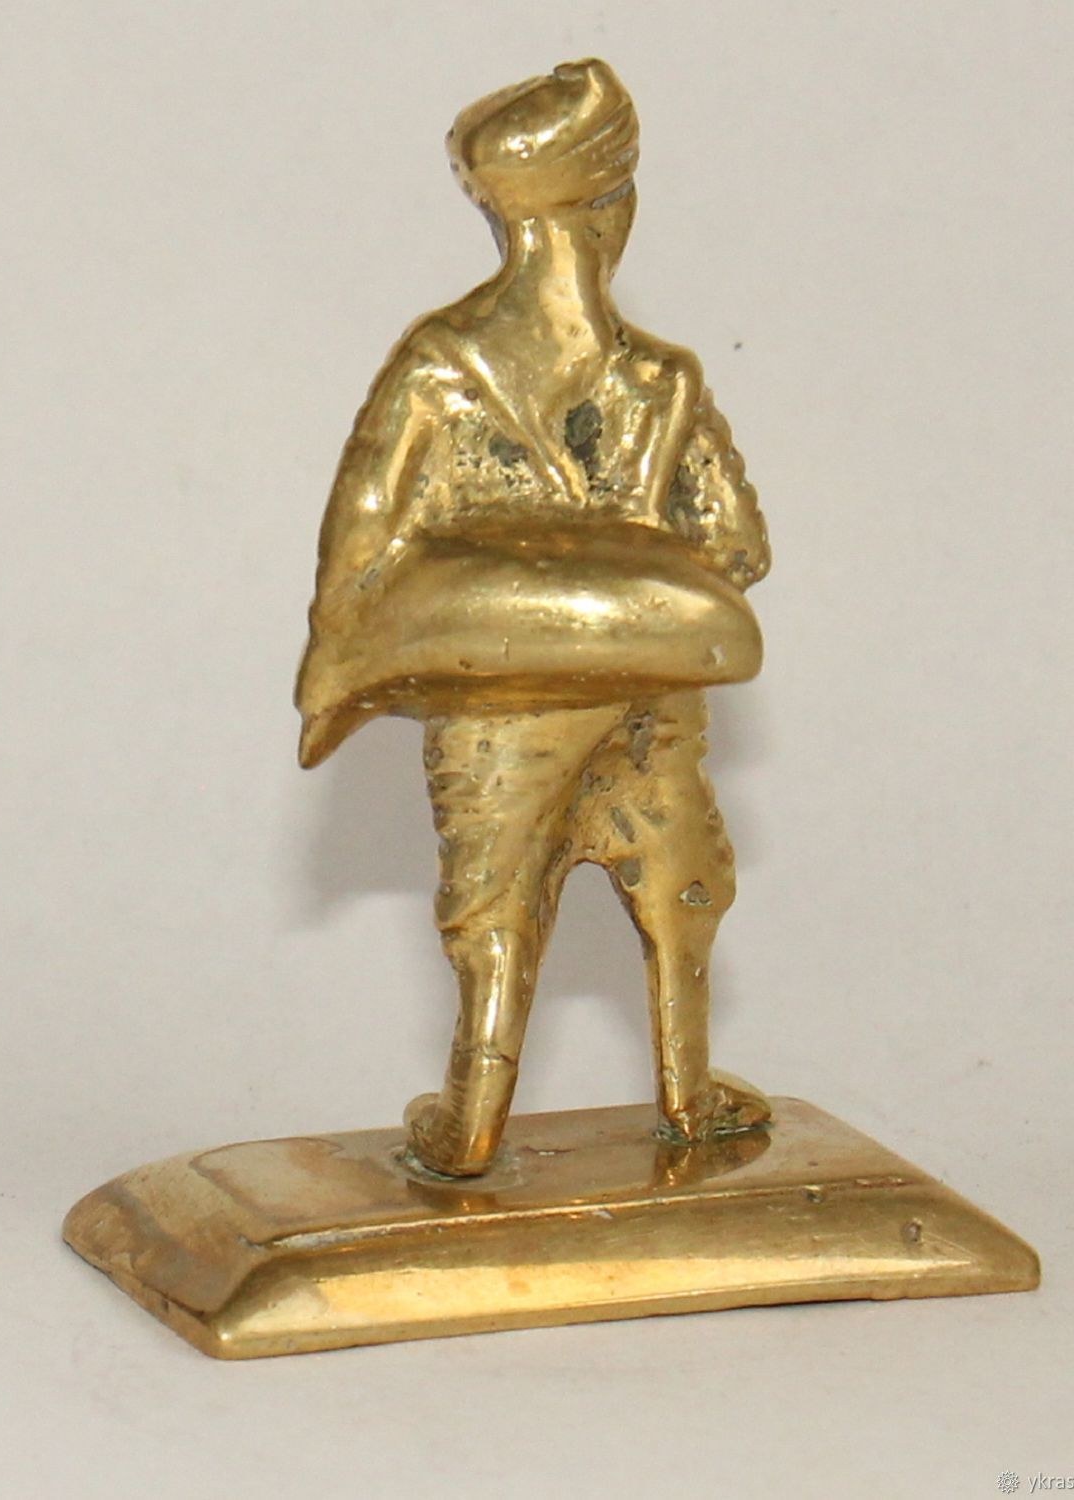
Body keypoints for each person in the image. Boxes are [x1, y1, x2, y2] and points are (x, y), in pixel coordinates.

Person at [297, 60, 773, 1176]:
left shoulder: (437, 368)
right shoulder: (662, 382)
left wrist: (346, 664)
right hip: (650, 691)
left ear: (500, 216)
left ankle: (472, 1122)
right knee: (676, 880)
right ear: (615, 211)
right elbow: (739, 545)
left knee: (495, 899)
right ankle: (688, 1093)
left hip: (499, 708)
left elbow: (363, 535)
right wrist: (634, 591)